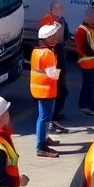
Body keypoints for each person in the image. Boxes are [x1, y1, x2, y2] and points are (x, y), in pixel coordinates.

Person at [38, 1, 71, 132]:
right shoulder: (46, 22)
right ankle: (53, 119)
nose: (60, 11)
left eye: (61, 8)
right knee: (60, 92)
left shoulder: (62, 21)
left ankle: (54, 116)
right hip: (53, 63)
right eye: (58, 9)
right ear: (51, 10)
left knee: (62, 92)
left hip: (59, 60)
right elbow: (45, 39)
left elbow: (65, 38)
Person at [30, 23, 62, 158]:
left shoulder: (36, 50)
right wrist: (60, 71)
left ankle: (44, 138)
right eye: (52, 36)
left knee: (43, 117)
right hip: (46, 90)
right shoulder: (48, 53)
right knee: (44, 118)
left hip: (38, 89)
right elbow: (53, 75)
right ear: (45, 38)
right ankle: (41, 146)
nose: (55, 38)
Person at [75, 7, 94, 115]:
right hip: (85, 63)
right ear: (87, 17)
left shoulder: (93, 27)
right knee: (87, 85)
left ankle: (90, 104)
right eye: (93, 16)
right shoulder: (81, 30)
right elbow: (83, 48)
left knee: (90, 85)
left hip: (92, 62)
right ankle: (83, 106)